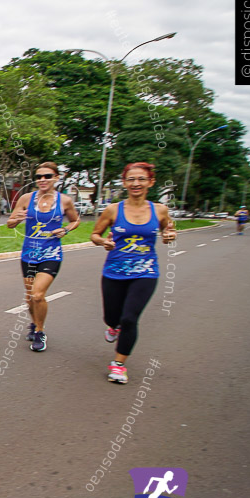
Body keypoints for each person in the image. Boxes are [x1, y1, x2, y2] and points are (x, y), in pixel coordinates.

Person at [90, 162, 176, 384]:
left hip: (145, 272)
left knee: (130, 318)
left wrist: (169, 235)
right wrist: (103, 242)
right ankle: (113, 326)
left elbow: (170, 228)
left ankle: (118, 365)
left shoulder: (159, 210)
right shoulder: (113, 210)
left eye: (141, 179)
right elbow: (95, 234)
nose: (136, 183)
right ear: (125, 182)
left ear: (150, 182)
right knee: (112, 317)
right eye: (131, 179)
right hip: (114, 271)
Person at [5, 162, 80, 352]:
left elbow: (75, 220)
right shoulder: (25, 199)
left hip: (51, 253)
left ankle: (39, 331)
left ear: (56, 178)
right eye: (39, 177)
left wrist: (65, 229)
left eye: (47, 176)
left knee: (38, 295)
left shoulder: (65, 201)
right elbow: (10, 223)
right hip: (29, 253)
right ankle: (34, 322)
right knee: (30, 297)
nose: (42, 180)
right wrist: (17, 219)